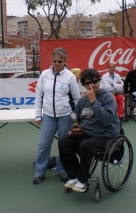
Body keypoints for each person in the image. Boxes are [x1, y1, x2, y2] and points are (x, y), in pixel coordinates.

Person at [58, 69, 120, 193]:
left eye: (94, 81)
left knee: (85, 146)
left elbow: (106, 120)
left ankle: (83, 180)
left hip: (104, 135)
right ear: (84, 85)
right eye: (88, 83)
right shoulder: (83, 100)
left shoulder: (108, 98)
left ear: (99, 81)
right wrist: (75, 126)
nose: (92, 85)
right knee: (63, 141)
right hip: (86, 133)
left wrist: (93, 101)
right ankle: (74, 175)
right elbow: (75, 116)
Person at [33, 47, 81, 184]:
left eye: (60, 61)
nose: (57, 63)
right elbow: (38, 95)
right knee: (43, 144)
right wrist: (38, 115)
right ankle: (39, 172)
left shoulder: (70, 77)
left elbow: (76, 99)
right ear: (51, 60)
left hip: (65, 115)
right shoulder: (44, 75)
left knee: (64, 144)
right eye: (54, 60)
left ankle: (62, 170)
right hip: (48, 115)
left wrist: (76, 117)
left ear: (65, 61)